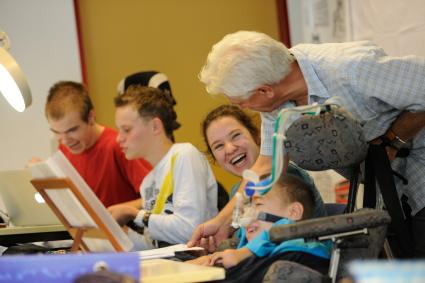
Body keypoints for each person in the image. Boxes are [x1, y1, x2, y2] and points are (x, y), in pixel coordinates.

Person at [191, 30, 425, 257]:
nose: (244, 108)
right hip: (390, 192)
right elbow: (265, 168)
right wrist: (222, 223)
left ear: (265, 90)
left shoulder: (351, 68)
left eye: (243, 102)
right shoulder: (277, 104)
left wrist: (393, 139)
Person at [110, 85, 217, 250]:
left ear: (155, 126)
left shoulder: (184, 155)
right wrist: (119, 233)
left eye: (126, 130)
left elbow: (189, 230)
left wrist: (133, 213)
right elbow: (154, 246)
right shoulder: (148, 182)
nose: (118, 139)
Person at [188, 174, 330, 282]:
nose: (248, 213)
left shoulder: (298, 249)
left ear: (293, 212)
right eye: (248, 206)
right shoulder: (262, 252)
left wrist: (244, 252)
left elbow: (282, 230)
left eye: (258, 204)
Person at [41, 81, 152, 208]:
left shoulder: (119, 146)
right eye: (57, 132)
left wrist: (122, 211)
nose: (65, 141)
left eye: (72, 130)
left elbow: (157, 198)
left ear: (91, 117)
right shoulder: (64, 150)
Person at [201, 104, 325, 217]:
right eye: (218, 146)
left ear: (256, 135)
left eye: (236, 135)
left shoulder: (285, 177)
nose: (230, 149)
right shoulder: (236, 192)